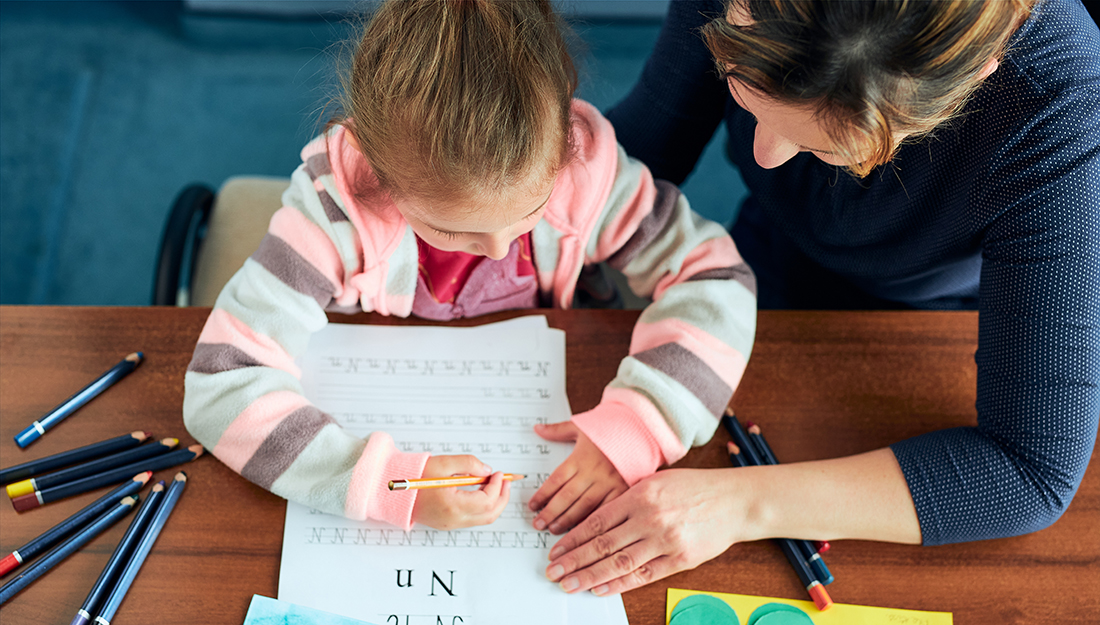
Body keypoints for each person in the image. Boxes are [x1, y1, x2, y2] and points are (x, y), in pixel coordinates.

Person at [544, 0, 1099, 596]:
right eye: (745, 95)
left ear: (976, 76)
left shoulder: (1058, 98)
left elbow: (1031, 471)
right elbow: (641, 156)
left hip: (929, 326)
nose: (763, 156)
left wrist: (738, 506)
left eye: (833, 149)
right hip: (757, 267)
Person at [182, 0, 756, 532]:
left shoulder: (584, 176)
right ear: (378, 172)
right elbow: (221, 386)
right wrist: (392, 485)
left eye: (529, 215)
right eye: (453, 230)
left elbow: (716, 279)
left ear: (564, 143)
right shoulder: (334, 209)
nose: (502, 252)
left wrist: (639, 426)